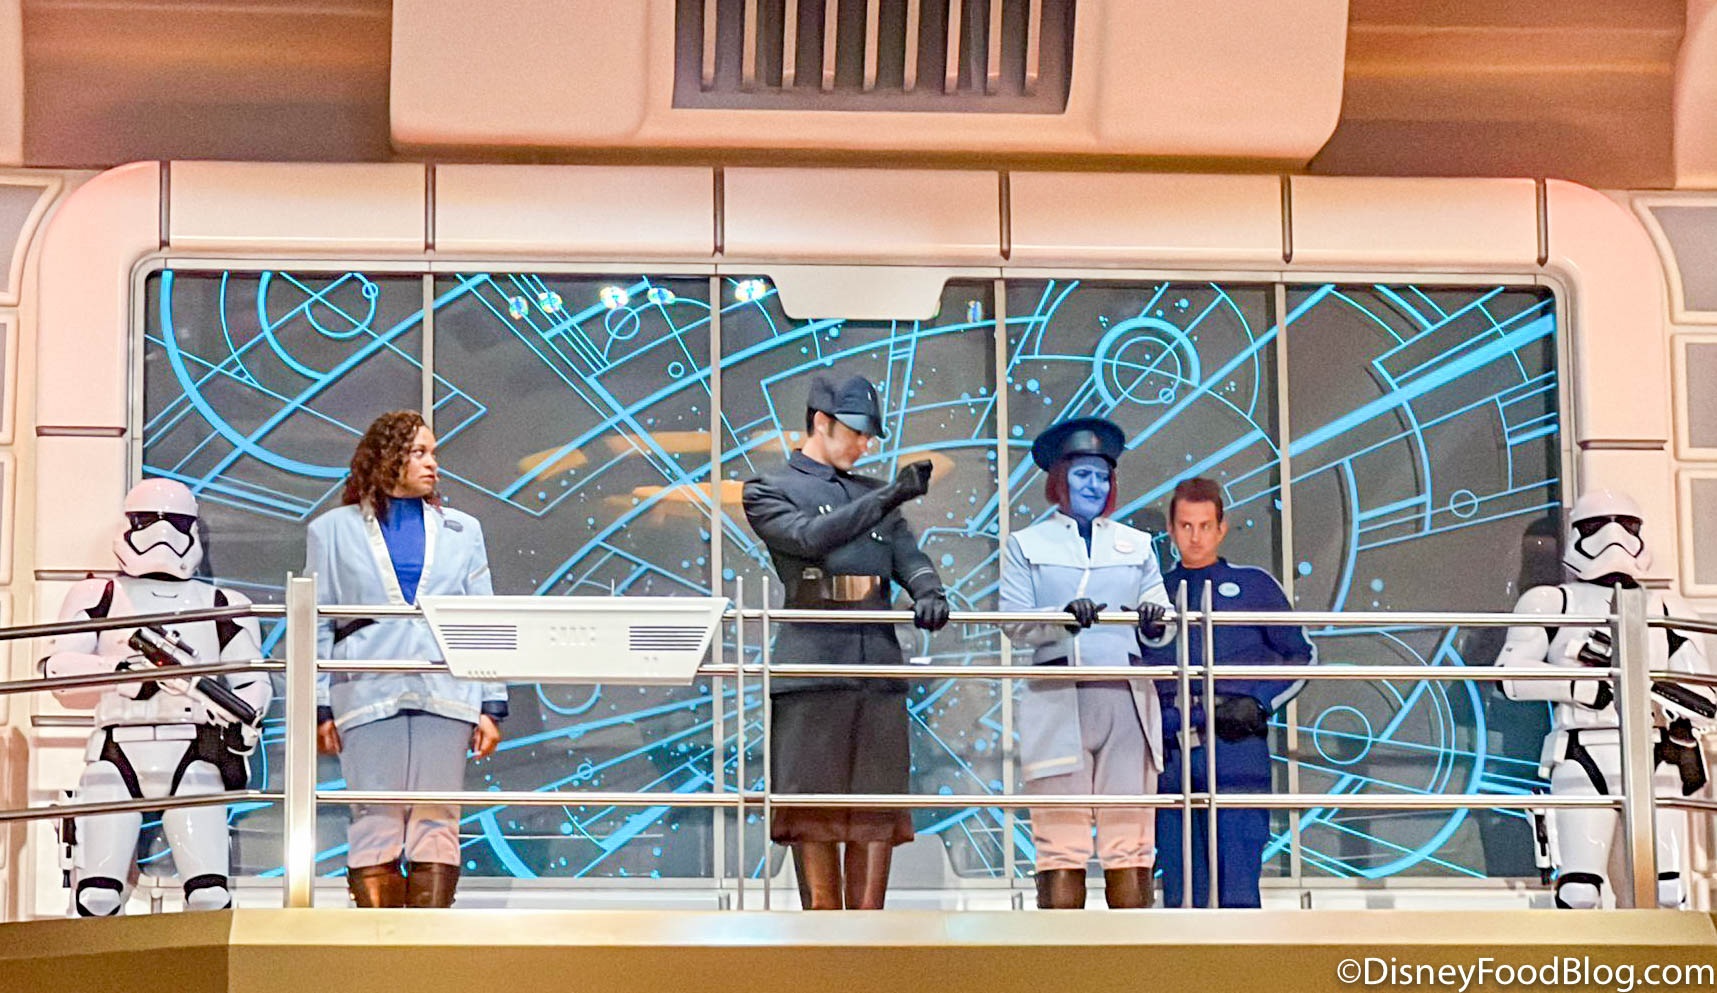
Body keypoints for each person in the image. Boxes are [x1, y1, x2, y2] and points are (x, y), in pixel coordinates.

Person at [741, 373, 950, 910]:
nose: (865, 444)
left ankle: (869, 941)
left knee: (876, 812)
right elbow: (809, 538)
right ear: (820, 422)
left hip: (876, 665)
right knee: (812, 811)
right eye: (856, 432)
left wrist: (929, 590)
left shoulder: (873, 495)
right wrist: (889, 495)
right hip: (812, 668)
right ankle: (823, 942)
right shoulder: (769, 488)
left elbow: (909, 557)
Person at [41, 479, 271, 916]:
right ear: (128, 525)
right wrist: (123, 672)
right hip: (116, 749)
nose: (161, 533)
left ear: (192, 529)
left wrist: (243, 718)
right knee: (96, 896)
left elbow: (251, 681)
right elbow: (58, 669)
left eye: (175, 523)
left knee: (208, 895)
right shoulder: (100, 595)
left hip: (194, 749)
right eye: (148, 521)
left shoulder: (222, 602)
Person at [308, 410, 508, 908]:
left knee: (438, 816)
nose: (432, 463)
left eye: (433, 453)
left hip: (447, 688)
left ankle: (427, 940)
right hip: (364, 688)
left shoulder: (463, 530)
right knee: (374, 816)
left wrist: (492, 703)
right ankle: (379, 941)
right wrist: (319, 706)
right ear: (386, 457)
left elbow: (484, 618)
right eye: (419, 452)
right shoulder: (331, 530)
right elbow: (316, 621)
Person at [1499, 489, 1716, 908]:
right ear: (1577, 534)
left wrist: (1658, 694)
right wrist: (1581, 686)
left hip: (1656, 751)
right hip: (1582, 749)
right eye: (1597, 526)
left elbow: (1704, 694)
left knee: (1668, 889)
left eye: (1626, 525)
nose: (1613, 536)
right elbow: (1512, 675)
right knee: (1579, 891)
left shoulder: (1666, 607)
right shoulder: (1552, 602)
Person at [999, 417, 1173, 909]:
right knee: (1060, 835)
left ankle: (1132, 952)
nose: (1094, 485)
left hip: (1125, 697)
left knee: (1130, 835)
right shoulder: (1026, 544)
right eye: (1082, 475)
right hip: (1057, 696)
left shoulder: (1136, 544)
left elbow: (1164, 614)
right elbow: (1012, 621)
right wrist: (1062, 620)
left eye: (1102, 476)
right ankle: (1061, 952)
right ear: (1059, 479)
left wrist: (1154, 622)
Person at [1143, 477, 1313, 908]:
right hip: (1172, 748)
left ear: (1221, 527)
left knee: (1238, 873)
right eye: (1186, 525)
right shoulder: (1152, 593)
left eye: (1205, 525)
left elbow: (1301, 655)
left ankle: (1242, 953)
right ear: (1171, 528)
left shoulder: (1254, 585)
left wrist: (1259, 702)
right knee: (1181, 880)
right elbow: (1131, 665)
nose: (1195, 536)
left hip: (1236, 745)